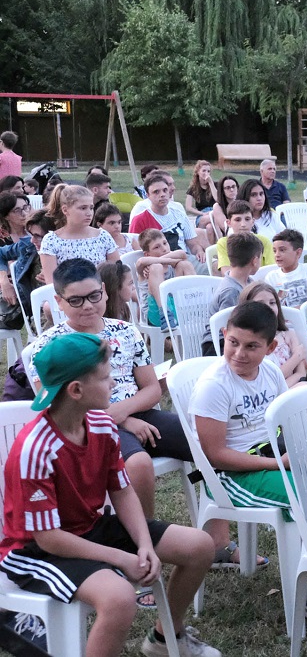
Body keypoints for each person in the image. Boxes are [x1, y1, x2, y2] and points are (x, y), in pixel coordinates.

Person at [2, 332, 220, 657]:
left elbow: (122, 491)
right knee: (119, 598)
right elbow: (48, 539)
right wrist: (121, 558)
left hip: (91, 528)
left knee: (199, 546)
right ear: (76, 391)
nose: (114, 384)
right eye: (106, 378)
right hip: (37, 552)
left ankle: (164, 639)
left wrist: (144, 544)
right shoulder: (35, 450)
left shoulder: (102, 425)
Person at [189, 301, 307, 634]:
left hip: (272, 457)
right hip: (231, 476)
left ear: (270, 348)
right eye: (233, 342)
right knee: (303, 495)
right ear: (224, 335)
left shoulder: (269, 371)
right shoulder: (214, 385)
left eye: (252, 346)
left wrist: (303, 453)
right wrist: (277, 463)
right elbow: (215, 456)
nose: (239, 353)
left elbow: (283, 420)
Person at [26, 258, 193, 518]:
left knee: (201, 438)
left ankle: (221, 520)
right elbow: (55, 407)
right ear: (59, 302)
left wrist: (121, 413)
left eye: (94, 296)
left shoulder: (125, 331)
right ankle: (144, 536)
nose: (88, 305)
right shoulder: (50, 346)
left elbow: (151, 389)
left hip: (138, 412)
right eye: (76, 300)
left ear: (104, 290)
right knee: (138, 464)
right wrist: (120, 421)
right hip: (88, 427)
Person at [128, 172, 207, 274]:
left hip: (184, 257)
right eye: (156, 192)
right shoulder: (140, 219)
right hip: (159, 264)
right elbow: (136, 251)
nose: (162, 194)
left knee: (214, 266)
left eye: (165, 190)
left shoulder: (179, 213)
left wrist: (199, 251)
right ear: (148, 195)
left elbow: (193, 244)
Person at [39, 184, 119, 284]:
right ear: (65, 210)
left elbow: (117, 273)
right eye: (83, 208)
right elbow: (52, 284)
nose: (89, 213)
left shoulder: (103, 236)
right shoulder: (51, 241)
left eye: (91, 208)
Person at [201, 233, 263, 356]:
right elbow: (227, 327)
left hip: (238, 339)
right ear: (255, 261)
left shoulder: (249, 282)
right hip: (218, 346)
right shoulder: (231, 291)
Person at [238, 282, 307, 386]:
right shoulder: (249, 343)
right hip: (266, 392)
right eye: (261, 304)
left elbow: (301, 374)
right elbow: (268, 382)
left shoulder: (288, 335)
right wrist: (297, 356)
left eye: (272, 303)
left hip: (294, 387)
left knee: (305, 385)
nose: (269, 308)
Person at [136, 229, 194, 332]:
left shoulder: (172, 262)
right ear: (147, 254)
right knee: (156, 267)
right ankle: (165, 314)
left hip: (179, 310)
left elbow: (182, 254)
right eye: (157, 247)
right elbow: (140, 262)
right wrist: (167, 261)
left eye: (165, 243)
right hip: (155, 315)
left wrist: (165, 260)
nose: (164, 248)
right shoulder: (145, 268)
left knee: (184, 265)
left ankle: (197, 307)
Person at [0, 207, 45, 314]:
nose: (32, 240)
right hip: (37, 310)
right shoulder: (28, 245)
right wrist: (4, 281)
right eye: (17, 210)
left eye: (37, 236)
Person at [214, 199, 275, 272]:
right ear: (229, 223)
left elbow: (272, 269)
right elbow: (226, 272)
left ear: (253, 222)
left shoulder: (264, 241)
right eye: (237, 220)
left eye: (247, 219)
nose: (243, 224)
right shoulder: (223, 243)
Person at [266, 228, 307, 308]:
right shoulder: (272, 278)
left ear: (298, 253)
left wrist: (297, 311)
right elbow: (273, 305)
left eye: (282, 250)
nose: (277, 255)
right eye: (274, 251)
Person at [185, 160, 218, 238]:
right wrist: (202, 213)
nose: (206, 173)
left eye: (208, 171)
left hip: (215, 211)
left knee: (209, 228)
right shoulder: (193, 188)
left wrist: (211, 183)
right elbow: (188, 207)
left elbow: (218, 199)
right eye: (204, 171)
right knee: (211, 218)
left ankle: (210, 245)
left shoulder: (215, 185)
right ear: (198, 172)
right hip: (202, 214)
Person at [209, 175, 239, 240]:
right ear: (222, 190)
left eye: (233, 186)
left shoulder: (243, 203)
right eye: (228, 188)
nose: (231, 190)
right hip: (229, 238)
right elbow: (225, 227)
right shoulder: (218, 206)